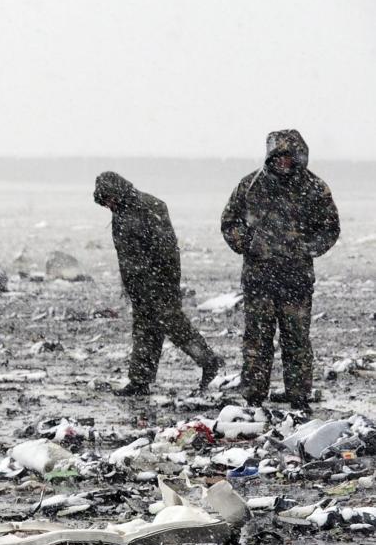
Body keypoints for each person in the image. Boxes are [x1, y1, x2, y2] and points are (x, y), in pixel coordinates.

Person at [220, 130, 339, 410]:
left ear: (299, 157)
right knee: (257, 342)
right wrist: (248, 242)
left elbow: (330, 228)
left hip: (296, 281)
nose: (284, 162)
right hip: (259, 280)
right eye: (279, 156)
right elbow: (229, 223)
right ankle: (253, 397)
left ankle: (298, 396)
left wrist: (308, 247)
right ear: (270, 156)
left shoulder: (315, 188)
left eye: (289, 156)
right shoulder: (250, 185)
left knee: (296, 341)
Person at [93, 171, 221, 395]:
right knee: (144, 330)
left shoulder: (149, 206)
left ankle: (208, 360)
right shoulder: (120, 211)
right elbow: (127, 254)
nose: (108, 205)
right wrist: (131, 283)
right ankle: (140, 381)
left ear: (117, 192)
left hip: (159, 282)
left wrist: (159, 282)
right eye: (105, 202)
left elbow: (166, 249)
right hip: (139, 285)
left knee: (174, 326)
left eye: (109, 200)